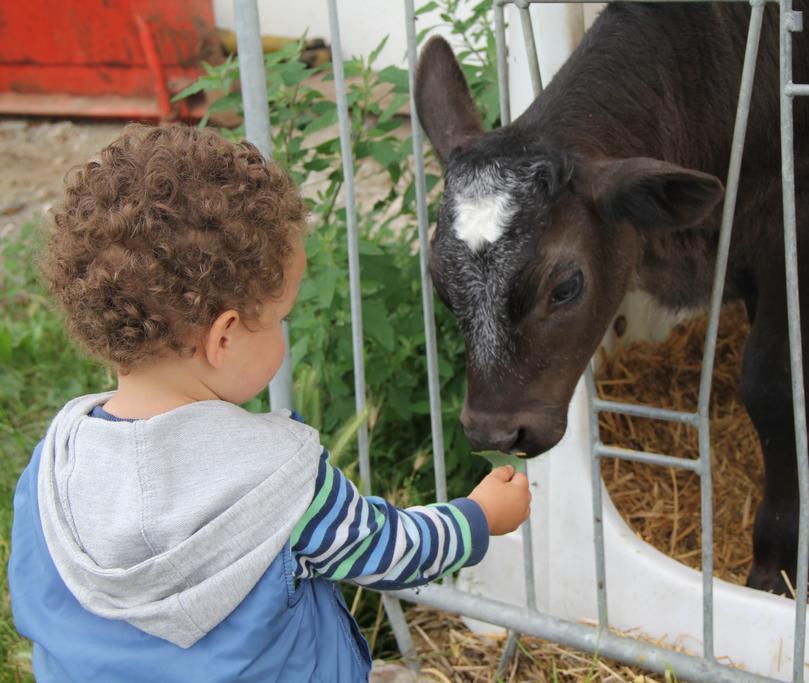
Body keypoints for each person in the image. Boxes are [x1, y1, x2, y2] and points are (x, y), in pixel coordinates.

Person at [8, 124, 531, 682]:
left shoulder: (51, 470)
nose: (285, 330)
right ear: (224, 337)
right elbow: (390, 550)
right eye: (280, 317)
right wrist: (479, 518)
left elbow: (40, 605)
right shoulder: (279, 483)